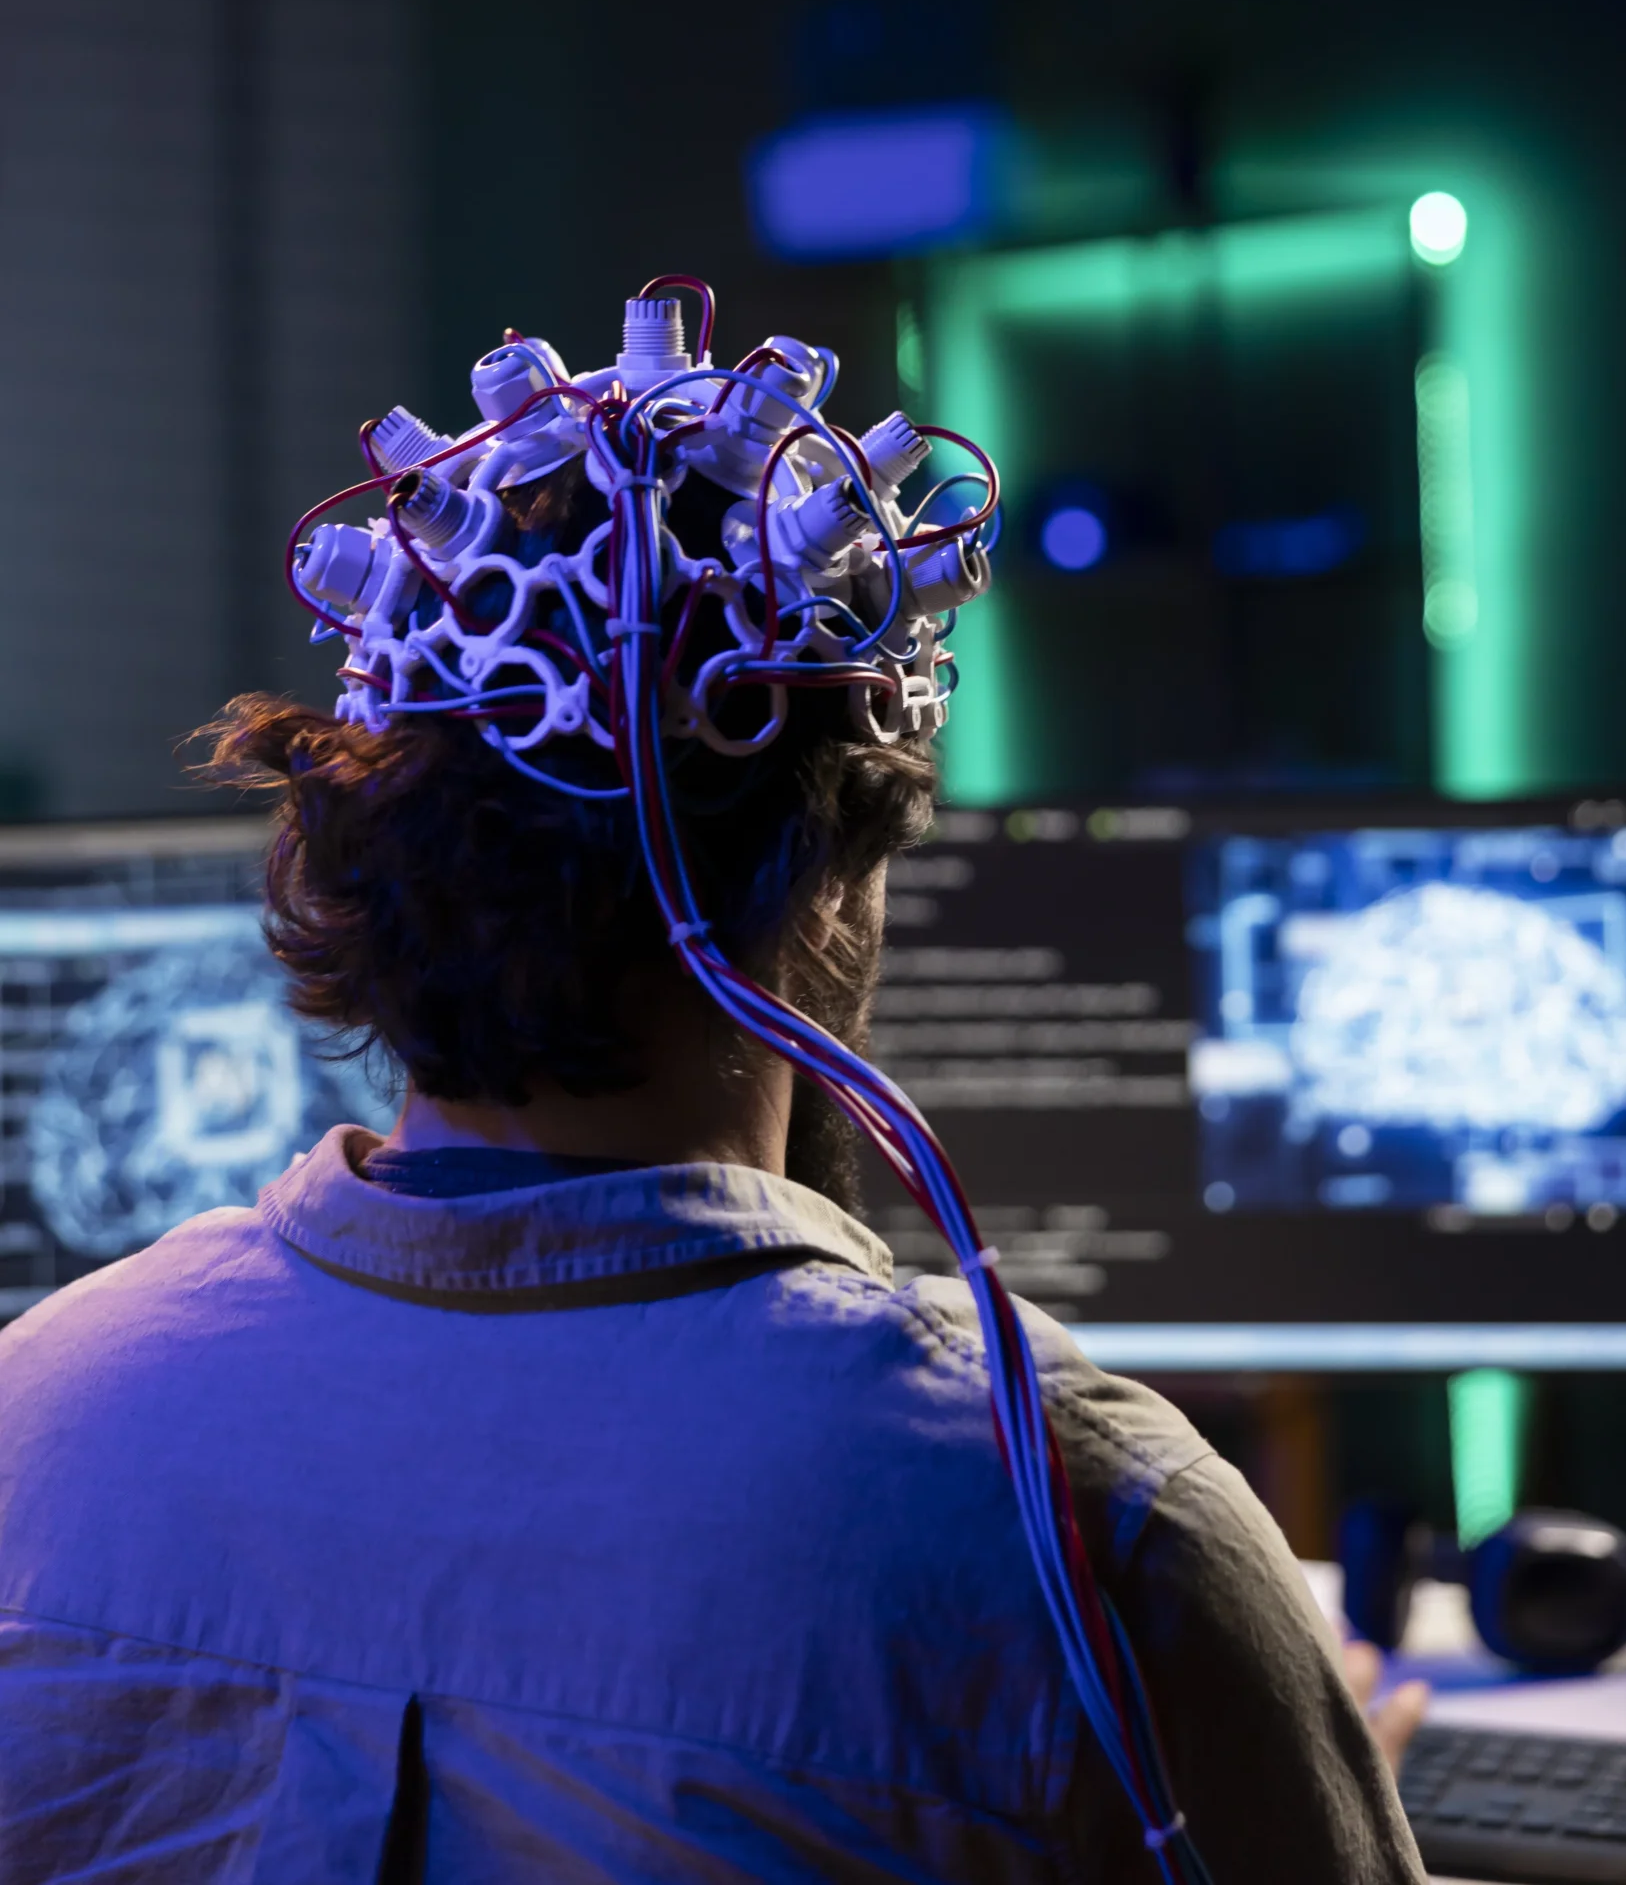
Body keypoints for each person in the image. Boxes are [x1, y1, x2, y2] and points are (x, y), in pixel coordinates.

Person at [0, 311, 1427, 1882]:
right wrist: (1296, 1747)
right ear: (827, 886)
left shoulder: (36, 1408)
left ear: (357, 848)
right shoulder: (1080, 1534)